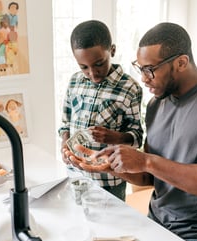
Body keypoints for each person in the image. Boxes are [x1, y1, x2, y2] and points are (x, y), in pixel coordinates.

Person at [67, 22, 197, 241]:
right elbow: (151, 177)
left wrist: (147, 160)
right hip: (155, 223)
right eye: (140, 69)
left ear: (181, 63)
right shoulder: (155, 105)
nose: (143, 78)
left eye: (149, 69)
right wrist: (111, 166)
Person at [58, 20, 143, 201]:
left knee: (111, 228)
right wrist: (64, 144)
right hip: (75, 175)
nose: (92, 73)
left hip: (109, 181)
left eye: (99, 64)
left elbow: (137, 136)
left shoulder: (130, 88)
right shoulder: (74, 82)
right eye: (84, 67)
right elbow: (65, 123)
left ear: (111, 50)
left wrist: (115, 137)